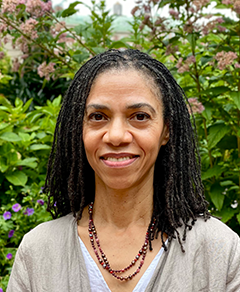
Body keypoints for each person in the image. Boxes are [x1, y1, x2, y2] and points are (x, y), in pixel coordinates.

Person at [7, 49, 240, 292]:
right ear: (79, 128)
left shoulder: (220, 250)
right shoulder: (39, 251)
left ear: (166, 130)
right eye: (98, 116)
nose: (116, 136)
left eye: (139, 116)